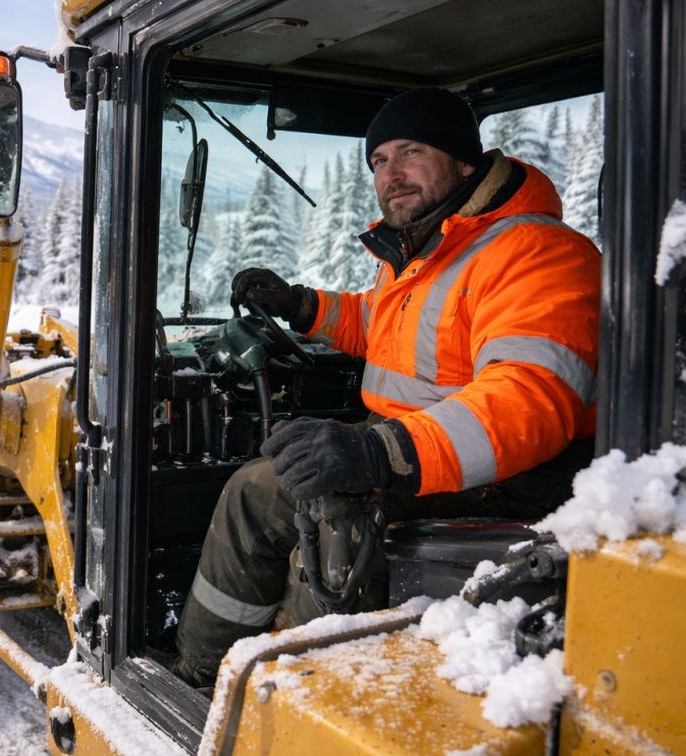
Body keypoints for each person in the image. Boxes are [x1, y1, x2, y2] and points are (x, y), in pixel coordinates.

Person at [172, 88, 601, 688]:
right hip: (421, 445)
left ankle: (296, 690)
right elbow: (384, 325)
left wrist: (382, 452)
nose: (391, 174)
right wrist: (302, 305)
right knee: (263, 486)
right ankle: (205, 673)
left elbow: (531, 398)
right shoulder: (427, 247)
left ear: (465, 162)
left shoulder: (536, 252)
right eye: (378, 161)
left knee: (284, 496)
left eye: (411, 151)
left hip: (510, 475)